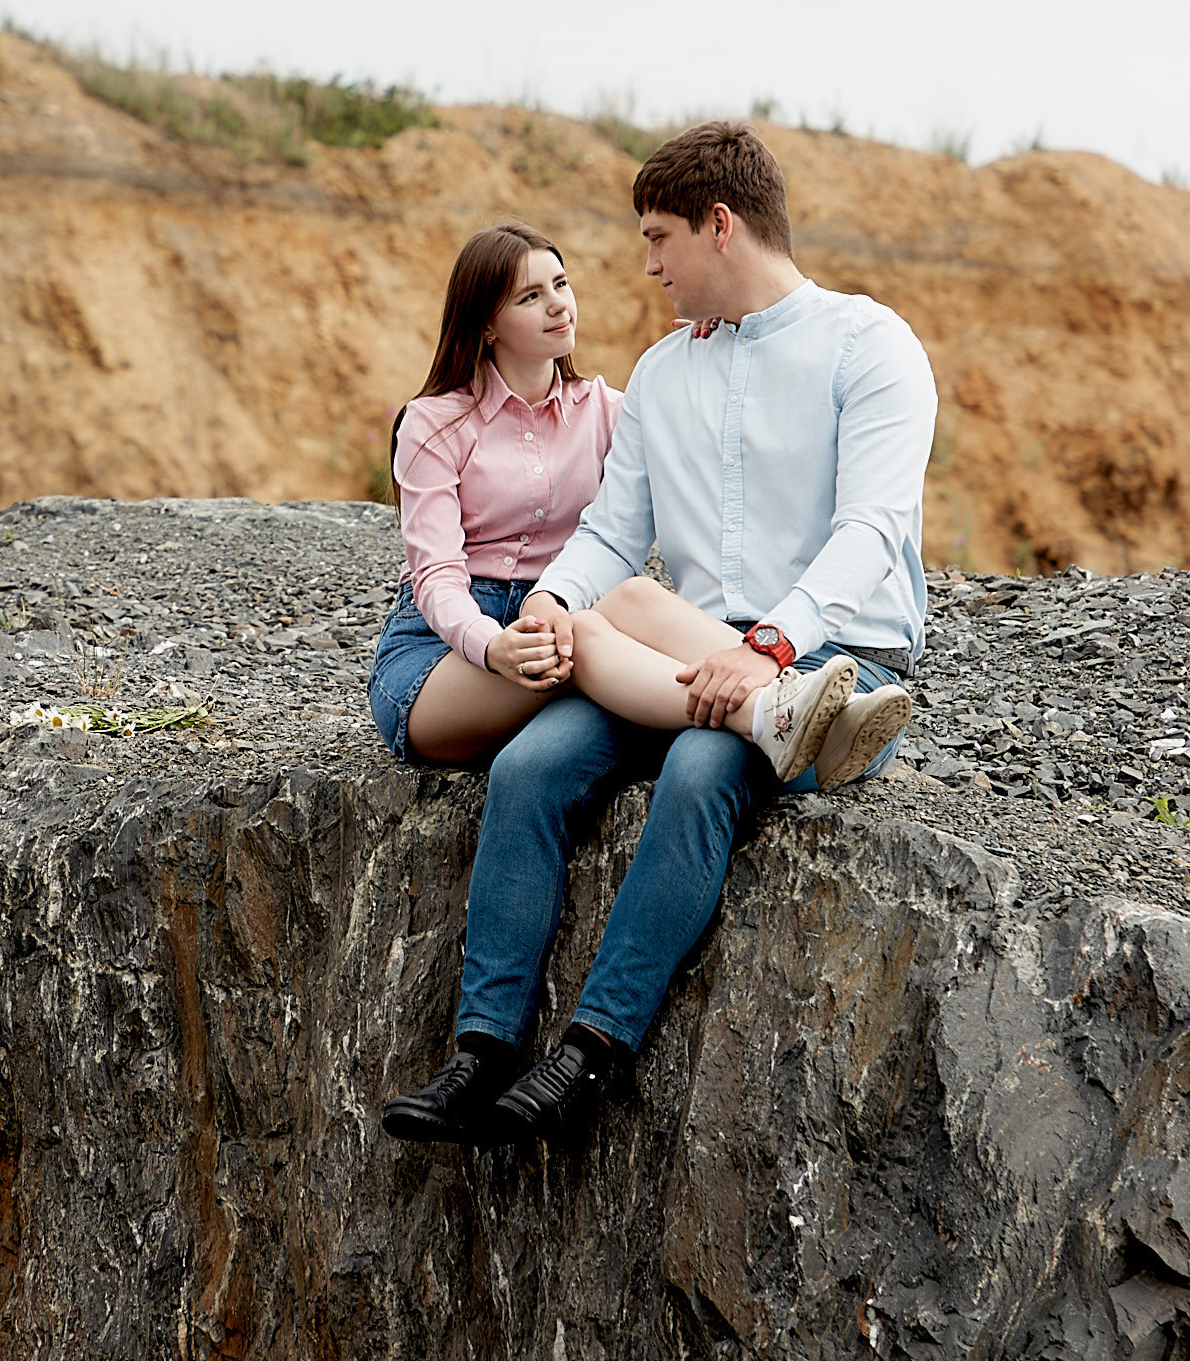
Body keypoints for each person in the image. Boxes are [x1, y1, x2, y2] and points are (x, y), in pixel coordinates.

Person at [382, 120, 938, 1149]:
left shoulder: (870, 346)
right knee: (532, 764)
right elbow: (610, 531)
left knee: (695, 769)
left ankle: (592, 1048)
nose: (645, 267)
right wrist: (550, 603)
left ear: (718, 225)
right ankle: (484, 1045)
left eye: (658, 239)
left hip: (836, 663)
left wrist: (769, 645)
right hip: (679, 652)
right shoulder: (661, 372)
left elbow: (871, 530)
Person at [367, 220, 622, 768]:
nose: (559, 306)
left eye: (562, 284)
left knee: (621, 614)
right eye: (531, 296)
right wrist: (491, 645)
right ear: (487, 325)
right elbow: (435, 573)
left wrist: (709, 341)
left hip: (558, 615)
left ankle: (776, 695)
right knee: (588, 645)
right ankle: (763, 718)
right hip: (443, 652)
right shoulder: (433, 423)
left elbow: (706, 440)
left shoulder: (603, 409)